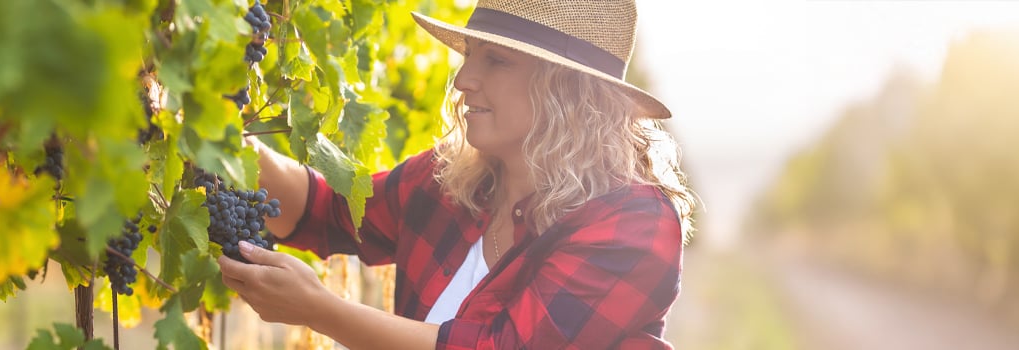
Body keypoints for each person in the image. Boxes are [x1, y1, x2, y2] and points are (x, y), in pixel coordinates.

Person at [218, 0, 699, 348]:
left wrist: (323, 311)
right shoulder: (456, 181)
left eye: (497, 60)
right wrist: (213, 130)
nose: (464, 79)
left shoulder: (635, 226)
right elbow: (323, 210)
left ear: (569, 90)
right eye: (470, 53)